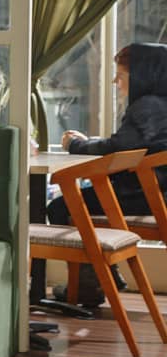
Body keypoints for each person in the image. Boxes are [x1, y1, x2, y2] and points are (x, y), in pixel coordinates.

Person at [50, 42, 167, 306]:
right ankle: (103, 276)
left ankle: (89, 285)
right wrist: (90, 142)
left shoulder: (146, 106)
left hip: (143, 196)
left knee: (61, 206)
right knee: (75, 202)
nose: (115, 81)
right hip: (158, 194)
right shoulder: (160, 105)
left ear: (141, 76)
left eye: (121, 75)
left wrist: (75, 145)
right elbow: (126, 144)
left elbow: (117, 149)